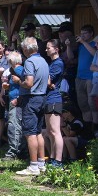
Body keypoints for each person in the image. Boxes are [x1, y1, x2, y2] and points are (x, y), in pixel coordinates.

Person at [16, 37, 49, 176]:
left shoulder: (29, 61)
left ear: (25, 49)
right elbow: (48, 82)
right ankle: (41, 164)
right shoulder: (44, 61)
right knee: (38, 132)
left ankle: (33, 166)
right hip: (42, 97)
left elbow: (29, 83)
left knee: (30, 133)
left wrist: (19, 81)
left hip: (31, 99)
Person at [65, 24, 97, 130]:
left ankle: (96, 129)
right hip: (79, 77)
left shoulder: (95, 44)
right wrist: (68, 46)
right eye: (81, 33)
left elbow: (95, 54)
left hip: (91, 77)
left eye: (85, 34)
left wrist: (83, 42)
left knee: (92, 104)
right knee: (83, 104)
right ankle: (87, 130)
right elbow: (70, 57)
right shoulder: (81, 46)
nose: (82, 36)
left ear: (91, 33)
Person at [1, 51, 27, 161]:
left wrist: (17, 99)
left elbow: (26, 84)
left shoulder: (18, 69)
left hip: (16, 102)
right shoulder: (17, 70)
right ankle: (20, 150)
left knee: (14, 126)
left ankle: (13, 151)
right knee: (16, 125)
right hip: (14, 99)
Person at [44, 39, 65, 167]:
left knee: (56, 131)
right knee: (50, 131)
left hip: (54, 99)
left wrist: (48, 82)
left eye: (49, 48)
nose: (46, 50)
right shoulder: (51, 63)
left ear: (56, 49)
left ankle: (58, 160)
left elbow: (47, 81)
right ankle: (52, 158)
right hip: (48, 98)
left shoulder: (58, 63)